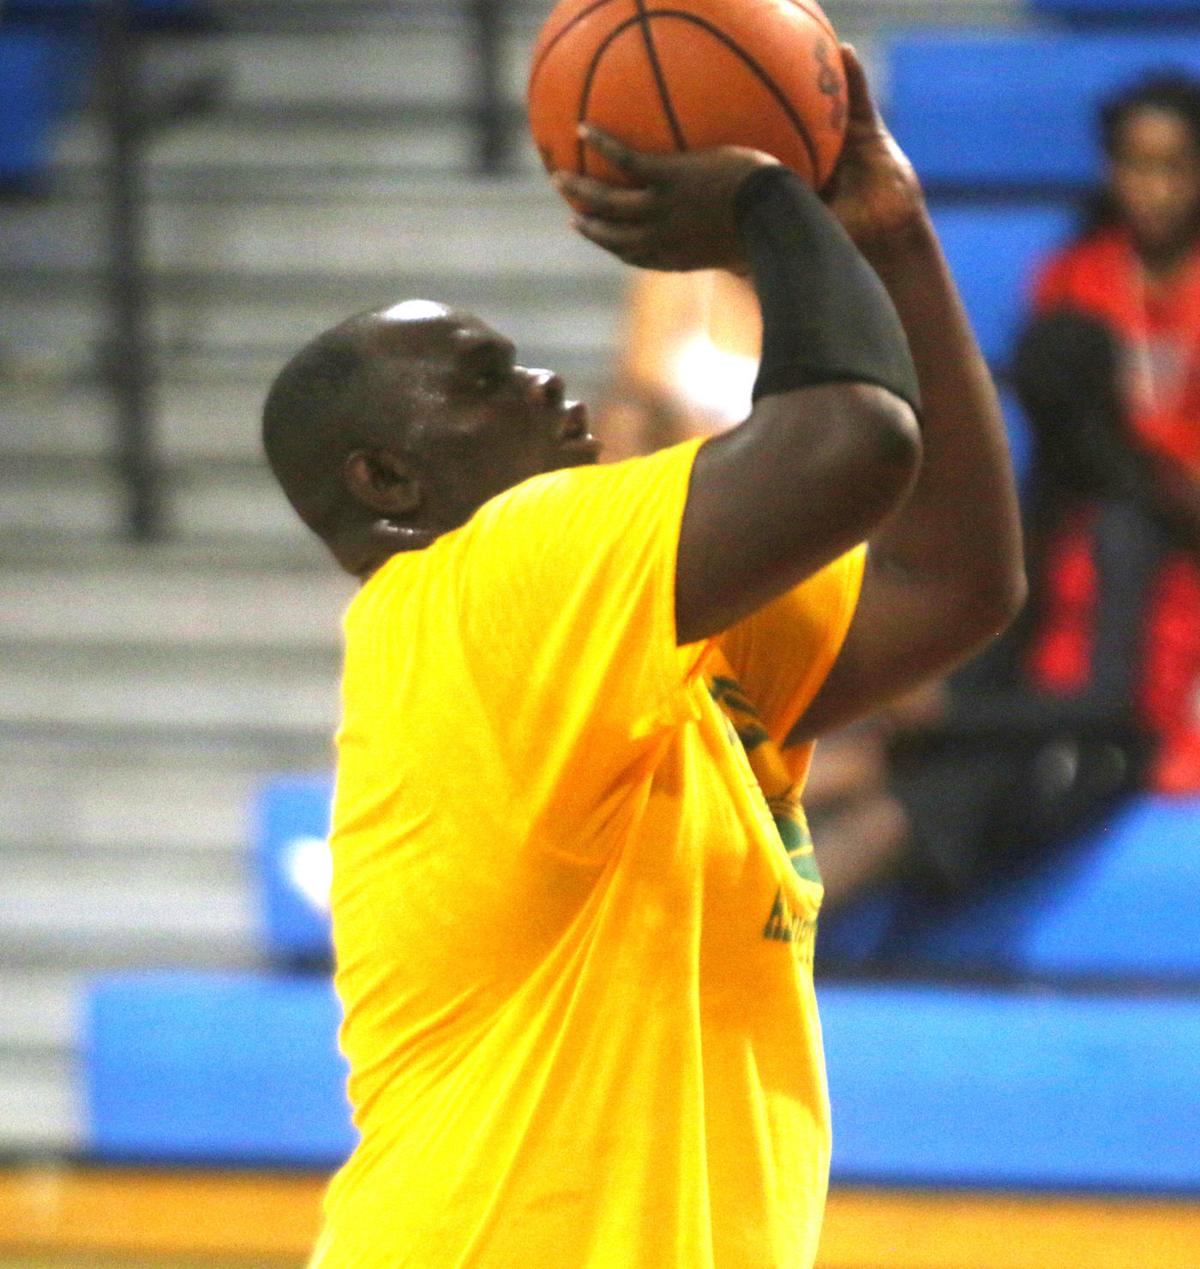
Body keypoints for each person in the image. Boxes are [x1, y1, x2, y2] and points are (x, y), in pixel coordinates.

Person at [261, 48, 1023, 1269]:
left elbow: (958, 584)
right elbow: (855, 438)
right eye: (484, 380)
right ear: (387, 483)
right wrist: (767, 207)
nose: (545, 380)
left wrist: (891, 235)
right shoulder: (480, 577)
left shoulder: (651, 659)